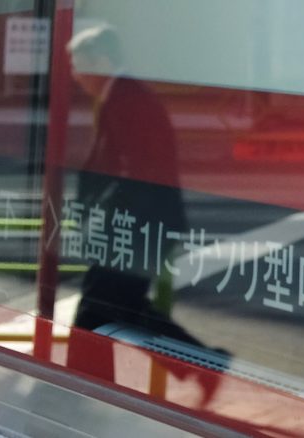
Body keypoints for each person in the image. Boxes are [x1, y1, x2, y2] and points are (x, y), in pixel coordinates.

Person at [66, 24, 221, 393]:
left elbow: (136, 172)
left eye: (80, 66)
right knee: (121, 307)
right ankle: (203, 365)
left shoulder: (127, 99)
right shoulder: (120, 96)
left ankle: (80, 385)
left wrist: (102, 217)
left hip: (138, 224)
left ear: (102, 61)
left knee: (99, 307)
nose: (76, 76)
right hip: (138, 222)